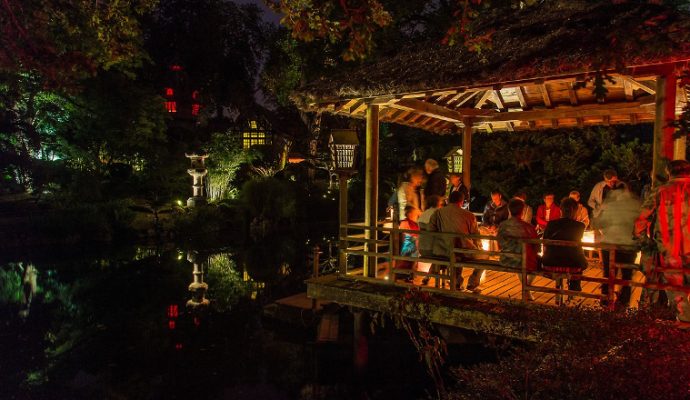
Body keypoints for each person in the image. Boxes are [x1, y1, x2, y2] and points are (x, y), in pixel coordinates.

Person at [634, 160, 690, 323]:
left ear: (669, 172)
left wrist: (645, 241)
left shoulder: (660, 191)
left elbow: (641, 220)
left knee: (676, 291)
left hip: (668, 250)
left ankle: (684, 323)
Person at [429, 190, 483, 291]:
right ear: (461, 202)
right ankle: (472, 282)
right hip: (463, 251)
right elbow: (475, 235)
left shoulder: (438, 213)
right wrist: (478, 247)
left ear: (449, 200)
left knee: (455, 253)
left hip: (444, 249)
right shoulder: (469, 215)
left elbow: (431, 230)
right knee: (484, 256)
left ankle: (457, 282)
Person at [598, 187, 640, 307]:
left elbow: (599, 223)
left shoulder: (609, 206)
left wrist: (606, 233)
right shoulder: (634, 206)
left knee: (608, 275)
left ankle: (605, 301)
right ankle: (623, 303)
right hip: (628, 245)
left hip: (609, 244)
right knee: (627, 275)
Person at [542, 197, 588, 293]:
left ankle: (566, 285)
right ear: (575, 211)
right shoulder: (580, 226)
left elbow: (544, 241)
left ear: (561, 210)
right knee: (582, 262)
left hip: (550, 262)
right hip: (573, 264)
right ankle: (575, 285)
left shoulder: (551, 224)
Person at [497, 199, 540, 301]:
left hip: (506, 260)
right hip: (523, 261)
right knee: (534, 261)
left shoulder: (502, 225)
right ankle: (527, 289)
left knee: (520, 258)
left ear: (509, 210)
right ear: (522, 211)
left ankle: (526, 290)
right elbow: (536, 248)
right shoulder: (528, 227)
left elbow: (499, 245)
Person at [418, 195, 444, 285]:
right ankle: (453, 281)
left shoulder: (423, 214)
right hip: (433, 249)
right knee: (447, 256)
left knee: (440, 257)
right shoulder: (438, 213)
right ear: (438, 203)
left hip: (421, 248)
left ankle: (427, 277)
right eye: (441, 203)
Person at [397, 205, 421, 282]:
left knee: (408, 259)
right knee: (410, 259)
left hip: (408, 243)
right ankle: (408, 275)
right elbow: (414, 233)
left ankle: (407, 275)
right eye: (414, 213)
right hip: (410, 243)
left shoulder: (405, 222)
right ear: (410, 213)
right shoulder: (409, 223)